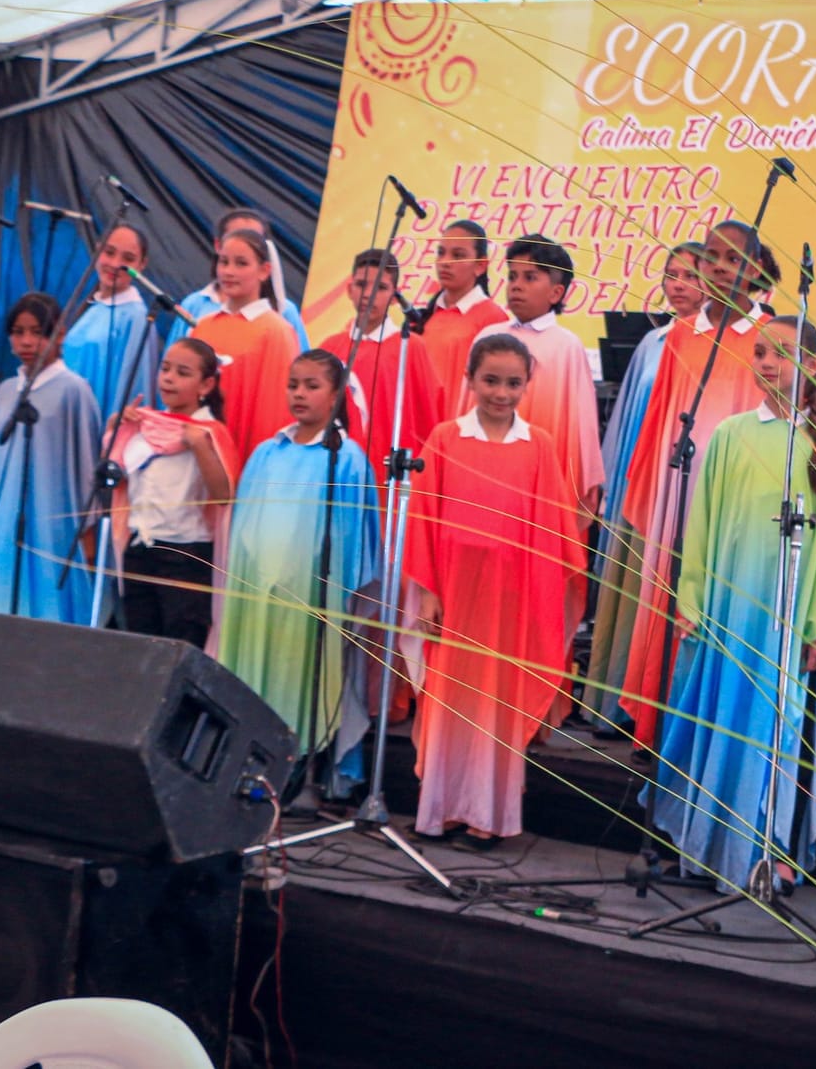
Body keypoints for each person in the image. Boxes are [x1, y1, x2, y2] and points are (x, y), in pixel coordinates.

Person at [647, 315, 816, 890]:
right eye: (758, 352)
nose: (765, 362)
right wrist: (692, 599)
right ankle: (710, 844)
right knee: (721, 719)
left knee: (774, 733)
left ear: (811, 365)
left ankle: (768, 848)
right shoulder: (731, 434)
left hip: (787, 618)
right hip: (729, 612)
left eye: (780, 353)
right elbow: (702, 524)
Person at [405, 334, 586, 850]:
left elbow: (553, 527)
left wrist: (539, 598)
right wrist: (429, 591)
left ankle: (488, 816)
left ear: (528, 384)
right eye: (490, 380)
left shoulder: (539, 445)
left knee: (495, 704)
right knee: (449, 702)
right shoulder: (444, 439)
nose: (501, 393)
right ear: (470, 379)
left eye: (513, 383)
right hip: (455, 596)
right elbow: (423, 517)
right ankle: (439, 812)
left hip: (511, 601)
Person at [610, 222, 770, 751]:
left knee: (715, 609)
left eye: (733, 259)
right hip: (678, 500)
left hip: (731, 507)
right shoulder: (682, 334)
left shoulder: (767, 337)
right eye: (712, 256)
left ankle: (702, 728)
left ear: (754, 270)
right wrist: (652, 493)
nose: (720, 267)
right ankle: (655, 724)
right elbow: (659, 425)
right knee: (667, 600)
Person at [218, 350, 383, 790]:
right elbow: (244, 529)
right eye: (293, 384)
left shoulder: (346, 459)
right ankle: (247, 767)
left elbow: (356, 545)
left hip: (311, 602)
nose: (299, 394)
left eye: (312, 386)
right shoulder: (265, 454)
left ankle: (293, 774)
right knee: (256, 678)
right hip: (258, 602)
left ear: (335, 395)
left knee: (303, 685)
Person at [584, 242, 703, 732]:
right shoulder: (652, 344)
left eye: (688, 275)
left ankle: (664, 710)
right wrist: (616, 482)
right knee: (629, 591)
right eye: (671, 274)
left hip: (681, 491)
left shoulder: (712, 345)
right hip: (640, 485)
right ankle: (617, 706)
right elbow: (627, 422)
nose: (676, 284)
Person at [0, 292, 102, 621]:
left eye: (38, 331)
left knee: (45, 607)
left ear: (60, 333)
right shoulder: (6, 392)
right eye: (18, 332)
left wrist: (87, 531)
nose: (27, 341)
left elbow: (86, 466)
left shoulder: (74, 390)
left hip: (51, 520)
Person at [103, 338, 240, 648]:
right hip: (141, 547)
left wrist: (199, 447)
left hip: (184, 555)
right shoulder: (148, 423)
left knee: (180, 646)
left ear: (206, 385)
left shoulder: (209, 432)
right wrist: (117, 430)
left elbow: (223, 495)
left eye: (182, 372)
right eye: (165, 369)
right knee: (138, 644)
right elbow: (115, 476)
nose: (168, 378)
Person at [470, 234, 604, 515]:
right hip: (484, 463)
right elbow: (466, 408)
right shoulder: (488, 337)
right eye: (513, 276)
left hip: (540, 474)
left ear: (556, 292)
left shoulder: (566, 346)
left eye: (530, 278)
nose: (517, 285)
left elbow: (580, 428)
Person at [320, 249, 445, 471]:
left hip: (389, 473)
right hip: (338, 469)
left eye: (380, 288)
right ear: (349, 289)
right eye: (361, 285)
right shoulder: (330, 347)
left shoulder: (410, 347)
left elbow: (429, 418)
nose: (369, 294)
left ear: (395, 297)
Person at [187, 229, 300, 460]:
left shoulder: (276, 332)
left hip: (243, 459)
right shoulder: (203, 326)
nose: (229, 271)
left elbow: (273, 415)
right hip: (194, 460)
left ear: (264, 271)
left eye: (241, 263)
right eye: (224, 261)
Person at [59, 224, 160, 419]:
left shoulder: (136, 317)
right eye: (109, 252)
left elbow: (134, 391)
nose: (115, 264)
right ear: (98, 250)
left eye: (128, 259)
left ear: (141, 265)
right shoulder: (94, 306)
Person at [176, 208, 309, 349]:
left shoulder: (283, 314)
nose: (242, 243)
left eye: (253, 239)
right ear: (218, 246)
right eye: (235, 236)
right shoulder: (195, 307)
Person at [418, 220, 507, 418]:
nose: (445, 262)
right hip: (420, 428)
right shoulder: (426, 317)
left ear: (480, 265)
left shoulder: (493, 318)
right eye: (441, 253)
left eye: (458, 255)